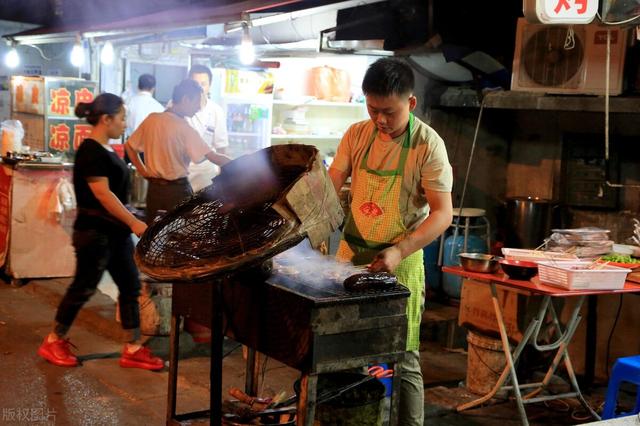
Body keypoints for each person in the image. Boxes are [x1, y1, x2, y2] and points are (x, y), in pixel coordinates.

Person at [328, 58, 453, 425]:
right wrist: (314, 226)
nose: (380, 120)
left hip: (402, 260)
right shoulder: (356, 134)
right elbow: (331, 185)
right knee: (342, 347)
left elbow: (442, 213)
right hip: (350, 255)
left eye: (389, 112)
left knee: (403, 356)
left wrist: (400, 250)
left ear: (411, 104)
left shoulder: (428, 145)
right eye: (372, 109)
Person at [37, 93, 164, 371]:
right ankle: (53, 340)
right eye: (121, 118)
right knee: (84, 286)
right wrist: (134, 222)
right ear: (106, 119)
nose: (124, 124)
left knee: (130, 286)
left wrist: (129, 221)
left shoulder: (106, 150)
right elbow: (103, 196)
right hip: (95, 233)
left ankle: (132, 347)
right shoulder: (91, 151)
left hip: (115, 234)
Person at [124, 78, 231, 224]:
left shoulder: (152, 120)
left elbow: (130, 146)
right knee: (178, 235)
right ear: (186, 99)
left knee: (152, 234)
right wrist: (241, 164)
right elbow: (213, 156)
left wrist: (143, 172)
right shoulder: (184, 127)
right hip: (177, 191)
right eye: (197, 102)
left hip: (154, 190)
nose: (198, 108)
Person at [185, 64, 229, 191]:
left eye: (203, 84)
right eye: (195, 84)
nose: (199, 88)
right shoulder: (177, 107)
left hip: (206, 174)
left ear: (209, 86)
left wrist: (224, 177)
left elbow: (221, 148)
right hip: (182, 173)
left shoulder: (216, 111)